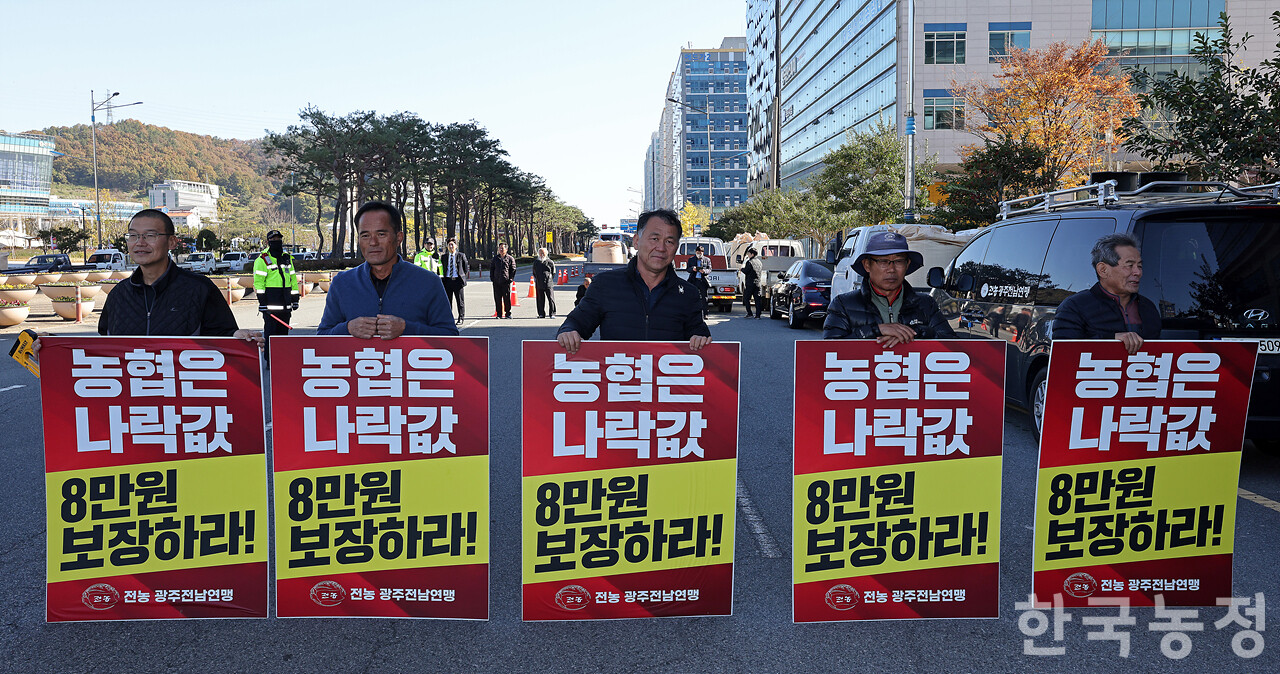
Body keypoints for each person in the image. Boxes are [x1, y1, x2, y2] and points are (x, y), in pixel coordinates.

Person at [557, 209, 711, 354]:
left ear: (676, 247)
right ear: (636, 241)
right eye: (654, 239)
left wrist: (700, 339)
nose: (661, 248)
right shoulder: (605, 285)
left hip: (665, 380)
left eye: (669, 242)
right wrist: (569, 331)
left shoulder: (688, 293)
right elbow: (576, 322)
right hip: (618, 376)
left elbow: (698, 332)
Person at [317, 201, 458, 338]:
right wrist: (347, 328)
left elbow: (450, 337)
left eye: (381, 234)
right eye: (365, 235)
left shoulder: (428, 282)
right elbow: (320, 338)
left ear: (399, 238)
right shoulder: (342, 283)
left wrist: (407, 328)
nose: (373, 242)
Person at [823, 230, 955, 345]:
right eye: (883, 261)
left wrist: (917, 332)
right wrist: (876, 330)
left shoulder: (926, 304)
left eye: (898, 261)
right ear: (867, 265)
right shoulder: (843, 304)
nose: (891, 269)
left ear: (907, 264)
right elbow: (828, 351)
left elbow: (953, 345)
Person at [1053, 233, 1161, 355]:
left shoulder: (1148, 308)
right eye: (1129, 265)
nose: (1137, 272)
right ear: (1103, 270)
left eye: (1140, 266)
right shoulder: (1074, 307)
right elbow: (1064, 354)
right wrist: (1111, 339)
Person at [253, 229, 300, 362]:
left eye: (278, 239)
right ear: (268, 242)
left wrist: (295, 299)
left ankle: (281, 361)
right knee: (271, 336)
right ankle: (270, 361)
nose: (276, 242)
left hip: (286, 306)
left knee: (283, 337)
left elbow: (293, 280)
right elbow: (259, 284)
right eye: (273, 240)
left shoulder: (286, 258)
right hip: (270, 308)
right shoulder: (262, 260)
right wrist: (262, 303)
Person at [440, 238, 469, 324]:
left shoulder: (461, 255)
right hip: (448, 281)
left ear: (456, 246)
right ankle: (449, 319)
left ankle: (461, 317)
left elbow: (465, 268)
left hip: (457, 281)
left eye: (452, 244)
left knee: (460, 301)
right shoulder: (444, 257)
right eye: (449, 245)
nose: (451, 246)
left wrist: (462, 277)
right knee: (448, 301)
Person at [490, 242, 516, 319]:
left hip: (506, 282)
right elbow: (492, 268)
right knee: (497, 298)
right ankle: (499, 314)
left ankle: (508, 313)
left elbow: (513, 269)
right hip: (496, 282)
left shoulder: (510, 258)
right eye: (500, 248)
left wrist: (511, 278)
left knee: (506, 298)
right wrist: (492, 278)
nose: (501, 249)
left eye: (503, 248)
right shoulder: (495, 258)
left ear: (506, 249)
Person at [685, 245, 710, 317]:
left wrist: (704, 271)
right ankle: (692, 313)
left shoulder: (707, 260)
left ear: (703, 252)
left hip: (703, 281)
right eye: (698, 252)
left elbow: (709, 269)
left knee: (704, 298)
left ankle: (705, 314)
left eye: (701, 252)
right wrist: (693, 269)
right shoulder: (691, 259)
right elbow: (688, 269)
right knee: (692, 297)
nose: (699, 254)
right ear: (695, 252)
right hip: (694, 280)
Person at [533, 247, 557, 318]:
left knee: (551, 298)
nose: (542, 254)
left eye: (543, 253)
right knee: (540, 299)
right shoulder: (536, 262)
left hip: (548, 283)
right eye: (540, 253)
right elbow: (534, 272)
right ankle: (541, 314)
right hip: (539, 282)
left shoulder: (550, 262)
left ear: (546, 253)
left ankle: (552, 313)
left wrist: (549, 278)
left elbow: (553, 272)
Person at [741, 247, 765, 318]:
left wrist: (741, 269)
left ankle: (749, 313)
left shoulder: (750, 262)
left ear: (752, 254)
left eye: (748, 253)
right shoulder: (759, 262)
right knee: (757, 299)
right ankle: (758, 315)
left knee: (746, 298)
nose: (748, 255)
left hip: (750, 283)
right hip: (758, 283)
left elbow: (746, 271)